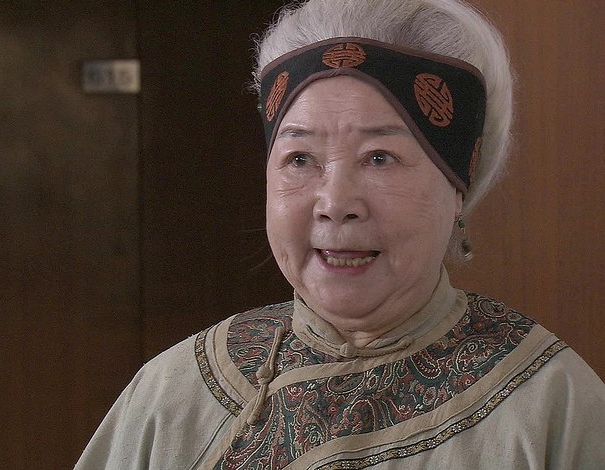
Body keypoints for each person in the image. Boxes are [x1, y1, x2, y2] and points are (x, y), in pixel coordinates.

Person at [75, 0, 605, 468]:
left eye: (380, 157)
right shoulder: (174, 394)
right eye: (299, 158)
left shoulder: (551, 406)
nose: (335, 204)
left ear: (456, 185)